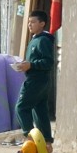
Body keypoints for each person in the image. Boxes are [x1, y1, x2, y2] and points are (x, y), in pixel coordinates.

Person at [14, 11, 55, 145]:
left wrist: (31, 65)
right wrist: (25, 65)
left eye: (33, 22)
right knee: (40, 111)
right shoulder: (34, 39)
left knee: (21, 108)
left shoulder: (43, 40)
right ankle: (46, 142)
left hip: (37, 80)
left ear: (42, 24)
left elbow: (48, 62)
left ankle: (31, 139)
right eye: (29, 22)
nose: (29, 25)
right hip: (38, 80)